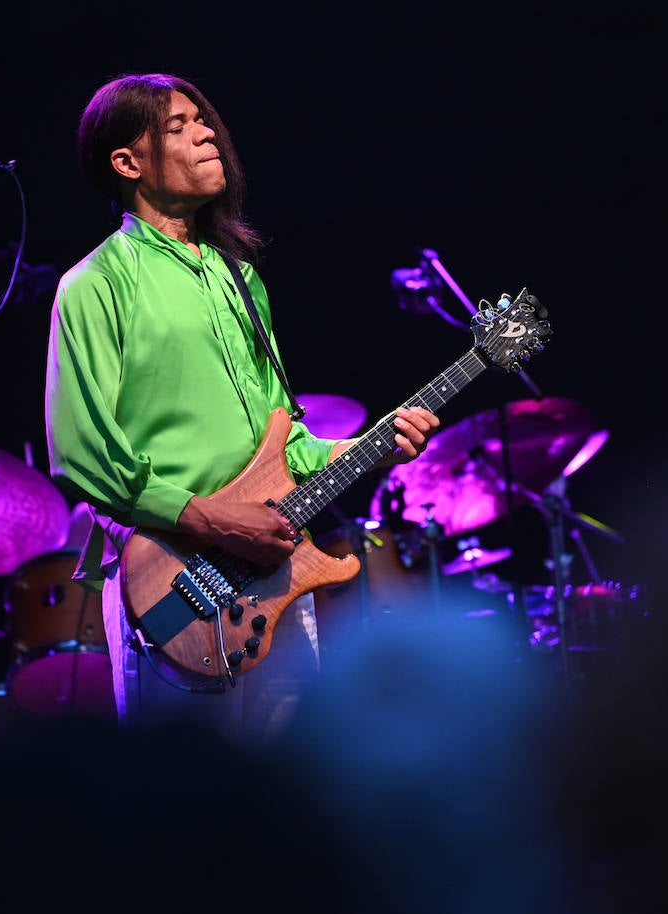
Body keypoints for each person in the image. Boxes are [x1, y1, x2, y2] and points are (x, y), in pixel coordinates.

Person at [43, 72, 440, 745]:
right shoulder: (93, 285)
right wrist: (213, 520)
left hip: (273, 585)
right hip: (173, 587)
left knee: (292, 800)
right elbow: (81, 457)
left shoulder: (240, 277)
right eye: (179, 125)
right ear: (126, 162)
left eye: (205, 121)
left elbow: (283, 439)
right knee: (183, 818)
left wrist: (368, 446)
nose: (206, 133)